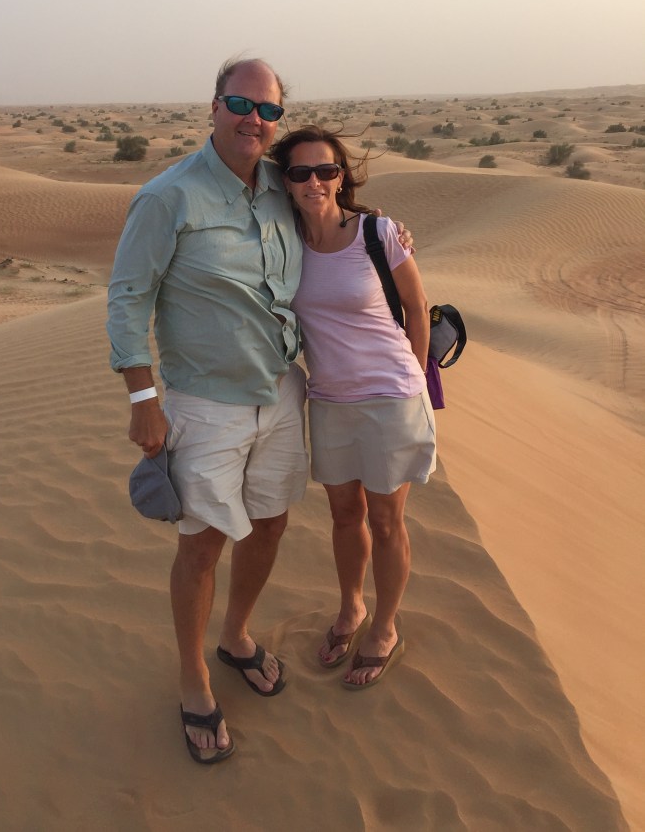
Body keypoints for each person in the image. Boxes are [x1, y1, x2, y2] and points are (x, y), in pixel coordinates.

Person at [107, 58, 411, 763]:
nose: (254, 118)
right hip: (203, 400)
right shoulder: (168, 196)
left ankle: (236, 634)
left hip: (282, 389)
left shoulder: (279, 184)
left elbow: (329, 205)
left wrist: (389, 240)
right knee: (203, 541)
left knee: (270, 523)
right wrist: (142, 399)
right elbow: (127, 299)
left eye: (267, 109)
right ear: (213, 106)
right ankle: (191, 678)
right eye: (240, 103)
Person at [269, 125, 436, 689]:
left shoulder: (378, 232)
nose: (315, 181)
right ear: (285, 181)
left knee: (388, 519)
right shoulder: (283, 240)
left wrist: (410, 375)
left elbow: (416, 307)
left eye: (326, 170)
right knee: (344, 516)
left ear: (342, 175)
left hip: (390, 397)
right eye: (300, 172)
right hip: (330, 401)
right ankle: (351, 609)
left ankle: (384, 626)